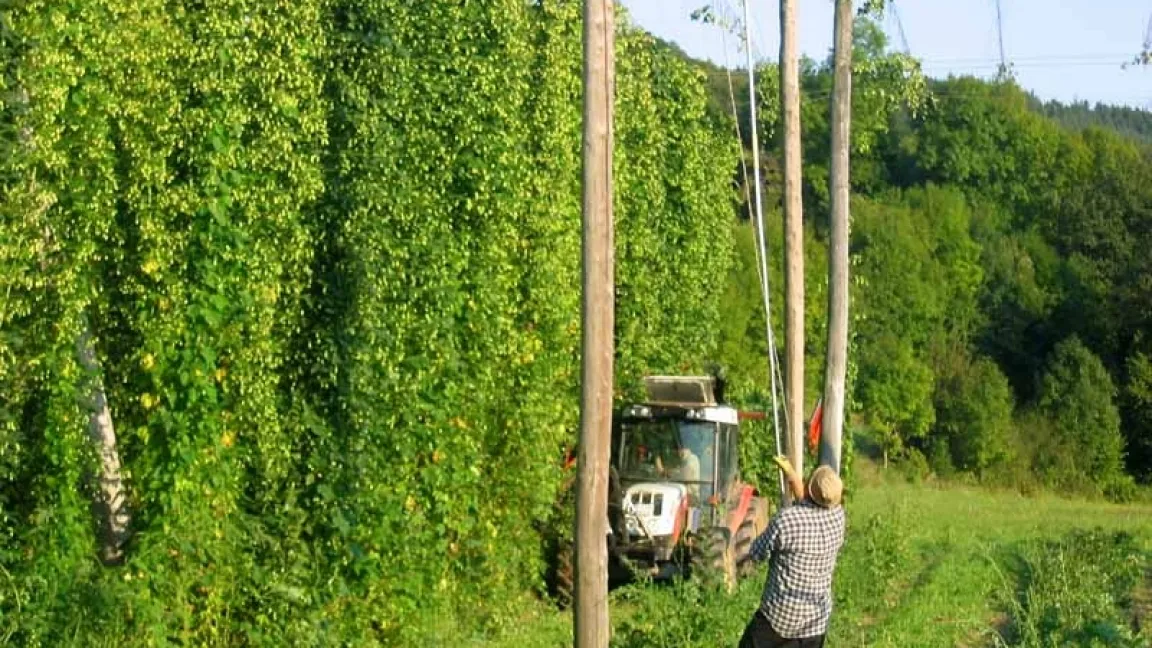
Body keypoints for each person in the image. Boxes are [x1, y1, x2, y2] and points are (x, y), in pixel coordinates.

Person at [738, 457, 845, 648]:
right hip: (816, 620)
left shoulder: (787, 519)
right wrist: (792, 474)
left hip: (780, 618)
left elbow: (757, 552)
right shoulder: (838, 517)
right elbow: (812, 503)